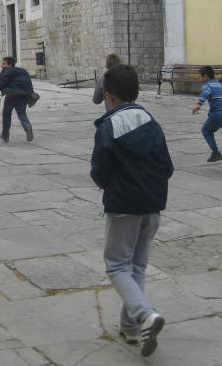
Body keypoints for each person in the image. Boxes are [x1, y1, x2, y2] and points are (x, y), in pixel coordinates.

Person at [90, 64, 174, 358]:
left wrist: (109, 185)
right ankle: (132, 327)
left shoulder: (108, 126)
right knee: (136, 267)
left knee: (116, 266)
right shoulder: (151, 121)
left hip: (124, 206)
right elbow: (167, 167)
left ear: (108, 95)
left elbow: (99, 171)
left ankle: (145, 314)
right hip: (153, 206)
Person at [0, 56, 34, 143]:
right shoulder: (22, 71)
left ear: (10, 65)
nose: (2, 66)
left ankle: (5, 135)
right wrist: (30, 93)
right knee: (22, 113)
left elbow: (2, 82)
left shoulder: (6, 71)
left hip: (11, 96)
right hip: (22, 95)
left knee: (6, 115)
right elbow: (28, 83)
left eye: (4, 64)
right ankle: (27, 126)